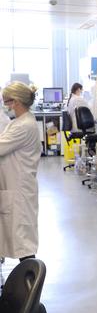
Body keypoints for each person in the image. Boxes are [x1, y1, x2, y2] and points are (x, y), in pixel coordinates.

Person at [0, 82, 41, 261]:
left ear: (15, 102)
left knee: (23, 245)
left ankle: (30, 284)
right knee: (18, 238)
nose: (5, 106)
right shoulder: (19, 122)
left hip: (20, 192)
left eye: (6, 102)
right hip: (15, 187)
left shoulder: (23, 126)